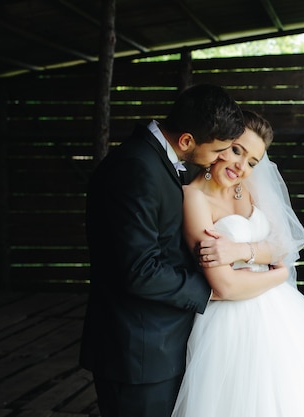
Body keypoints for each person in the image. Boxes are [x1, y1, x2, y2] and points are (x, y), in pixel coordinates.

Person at [80, 85, 289, 417]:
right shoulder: (137, 167)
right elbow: (140, 270)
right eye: (223, 149)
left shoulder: (155, 162)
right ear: (188, 140)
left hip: (165, 343)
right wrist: (213, 291)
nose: (224, 158)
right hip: (139, 350)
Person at [172, 110, 304, 417]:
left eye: (252, 162)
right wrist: (277, 274)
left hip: (284, 316)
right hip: (231, 324)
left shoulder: (249, 186)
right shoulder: (193, 198)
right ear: (221, 142)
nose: (241, 166)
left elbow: (284, 243)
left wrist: (242, 249)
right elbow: (225, 285)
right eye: (237, 150)